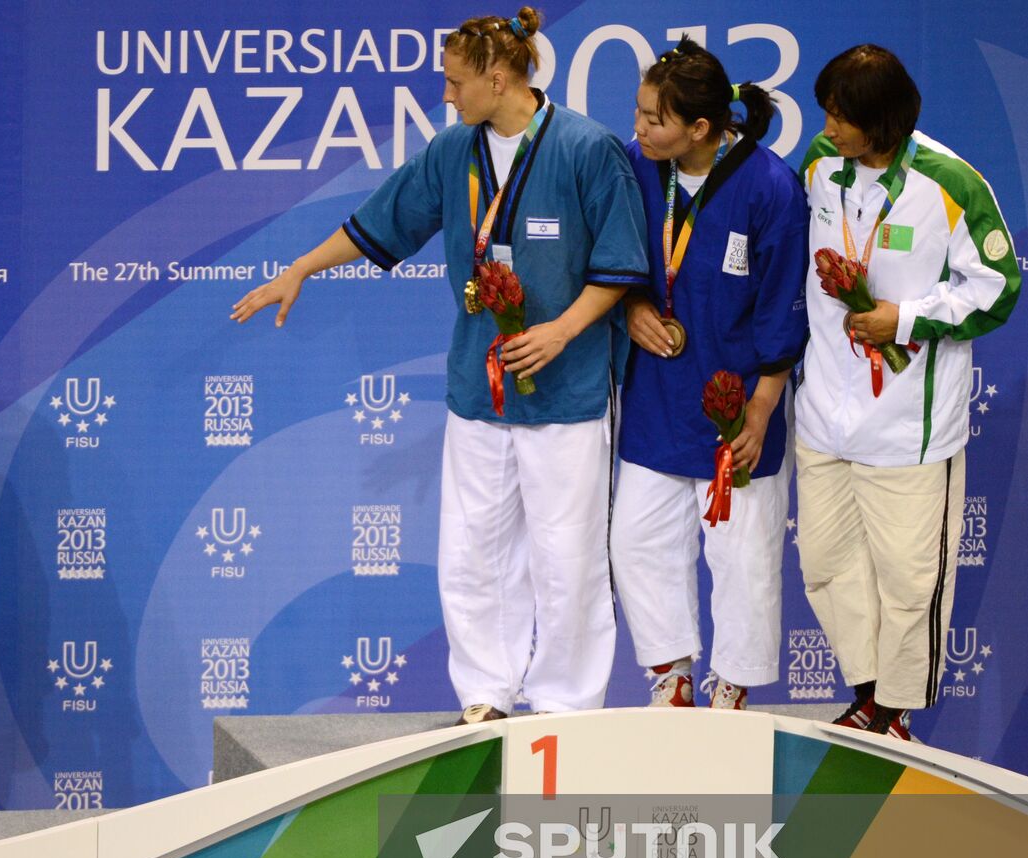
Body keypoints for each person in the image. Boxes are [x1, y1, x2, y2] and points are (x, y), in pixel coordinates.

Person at [231, 8, 646, 723]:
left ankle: (565, 705)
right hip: (478, 388)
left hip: (568, 390)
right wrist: (301, 267)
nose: (446, 95)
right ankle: (486, 694)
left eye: (455, 83)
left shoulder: (587, 149)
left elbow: (620, 267)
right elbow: (381, 222)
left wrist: (560, 332)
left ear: (499, 78)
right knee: (473, 551)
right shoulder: (453, 152)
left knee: (566, 557)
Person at [796, 45, 1019, 738]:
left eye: (843, 116)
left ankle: (893, 714)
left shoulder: (949, 183)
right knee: (826, 567)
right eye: (827, 111)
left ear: (886, 120)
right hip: (823, 420)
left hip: (907, 429)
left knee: (908, 584)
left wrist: (907, 318)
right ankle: (866, 695)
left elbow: (997, 289)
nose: (829, 127)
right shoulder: (819, 165)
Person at [613, 38, 808, 711]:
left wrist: (761, 408)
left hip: (739, 401)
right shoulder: (638, 166)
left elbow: (783, 306)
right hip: (657, 396)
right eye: (638, 113)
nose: (638, 128)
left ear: (700, 128)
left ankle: (733, 685)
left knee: (743, 557)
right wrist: (633, 307)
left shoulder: (771, 188)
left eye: (653, 119)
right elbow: (614, 258)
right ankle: (671, 676)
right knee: (636, 542)